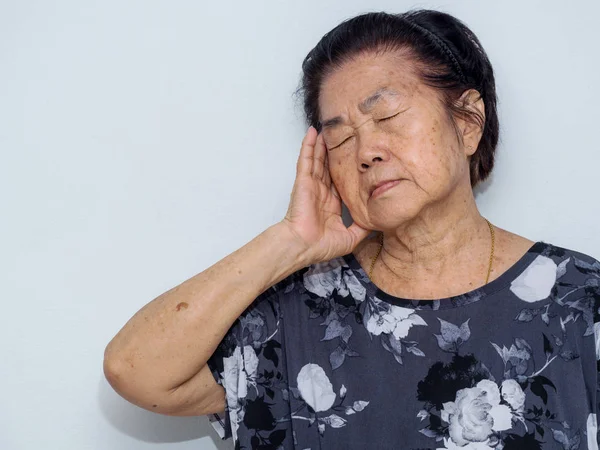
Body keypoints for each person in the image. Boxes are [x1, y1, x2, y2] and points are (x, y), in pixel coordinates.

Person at [103, 9, 600, 450]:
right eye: (340, 139)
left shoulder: (581, 302)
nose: (367, 152)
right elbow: (136, 372)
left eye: (386, 115)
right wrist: (289, 241)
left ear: (467, 122)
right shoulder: (294, 315)